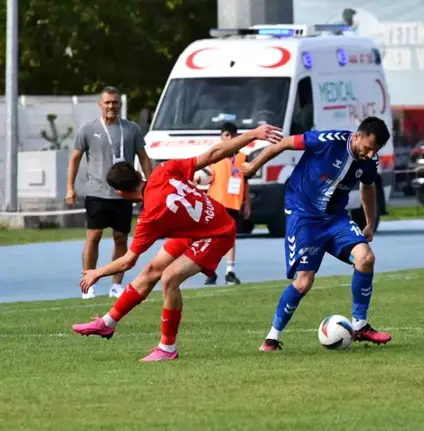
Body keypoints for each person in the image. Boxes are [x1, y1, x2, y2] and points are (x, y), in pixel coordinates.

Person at [71, 124, 283, 362]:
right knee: (151, 271)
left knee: (169, 278)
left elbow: (127, 261)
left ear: (120, 193)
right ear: (140, 174)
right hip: (198, 229)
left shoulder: (150, 215)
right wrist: (252, 134)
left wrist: (96, 273)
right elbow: (213, 154)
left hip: (217, 233)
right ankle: (106, 323)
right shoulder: (163, 170)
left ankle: (167, 348)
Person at [241, 116, 393, 352]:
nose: (370, 153)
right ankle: (272, 338)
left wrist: (370, 223)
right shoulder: (327, 140)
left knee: (366, 258)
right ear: (358, 135)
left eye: (376, 150)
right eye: (368, 147)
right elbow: (283, 144)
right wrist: (253, 166)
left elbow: (368, 187)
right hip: (304, 216)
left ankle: (360, 326)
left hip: (335, 219)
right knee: (303, 282)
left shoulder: (369, 161)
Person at [66, 86, 153, 300]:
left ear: (120, 105)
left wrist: (150, 185)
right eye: (107, 103)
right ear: (100, 105)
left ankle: (116, 285)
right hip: (97, 192)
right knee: (93, 236)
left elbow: (143, 157)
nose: (111, 106)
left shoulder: (131, 129)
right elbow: (75, 159)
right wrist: (70, 187)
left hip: (124, 194)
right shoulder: (88, 129)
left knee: (121, 238)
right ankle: (88, 284)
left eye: (115, 102)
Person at [202, 122, 250, 285]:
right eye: (226, 135)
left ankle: (230, 271)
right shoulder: (213, 154)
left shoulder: (243, 157)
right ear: (221, 137)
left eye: (232, 135)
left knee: (230, 238)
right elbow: (205, 174)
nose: (229, 138)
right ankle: (210, 271)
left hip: (233, 202)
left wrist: (247, 203)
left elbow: (246, 181)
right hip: (215, 201)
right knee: (212, 238)